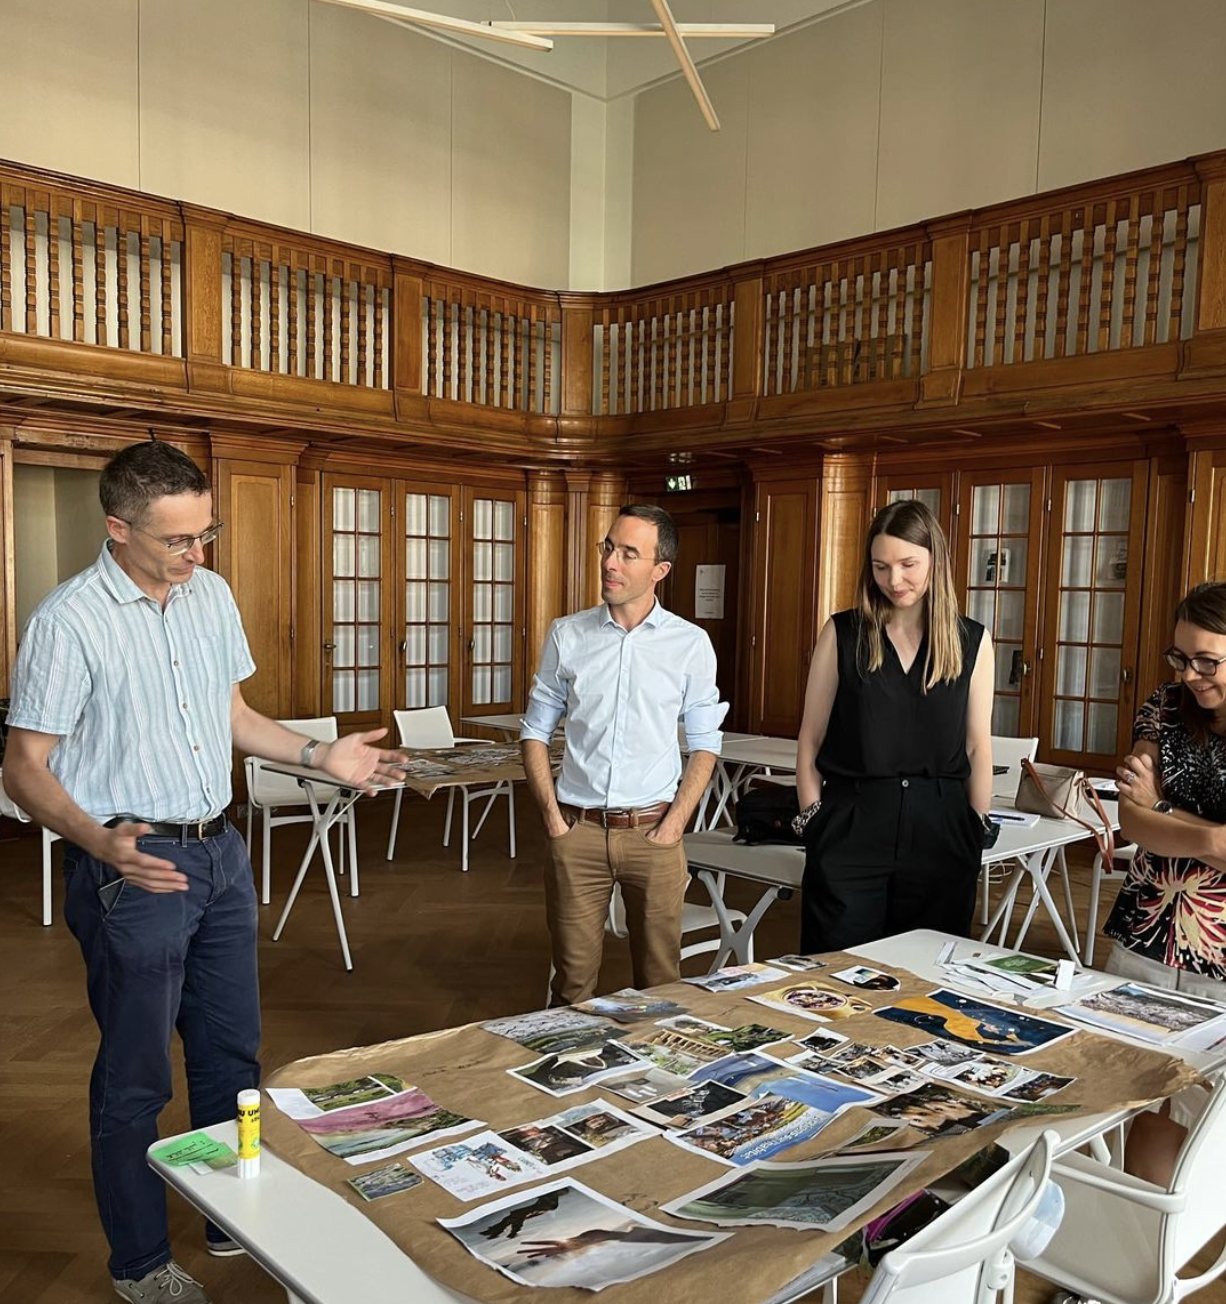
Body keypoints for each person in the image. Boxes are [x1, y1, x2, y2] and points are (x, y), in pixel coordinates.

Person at [2, 441, 405, 1304]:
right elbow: (24, 764)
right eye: (177, 541)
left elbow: (235, 716)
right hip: (132, 863)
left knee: (230, 1056)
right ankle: (141, 1264)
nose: (197, 555)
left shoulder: (210, 595)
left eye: (205, 534)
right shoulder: (68, 620)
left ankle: (235, 1219)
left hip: (220, 852)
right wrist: (95, 839)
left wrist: (317, 754)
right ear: (118, 529)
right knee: (137, 1075)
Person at [521, 503, 726, 1006]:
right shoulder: (567, 634)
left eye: (628, 553)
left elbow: (705, 745)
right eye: (608, 547)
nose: (610, 562)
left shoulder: (690, 644)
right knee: (571, 986)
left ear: (660, 570)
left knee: (661, 986)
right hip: (577, 832)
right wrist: (553, 819)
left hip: (655, 837)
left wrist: (675, 824)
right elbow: (533, 732)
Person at [794, 499, 994, 953]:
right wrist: (813, 821)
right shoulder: (842, 633)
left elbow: (978, 746)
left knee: (929, 974)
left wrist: (975, 827)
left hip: (941, 831)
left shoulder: (972, 640)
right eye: (881, 567)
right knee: (836, 974)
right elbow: (811, 738)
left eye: (908, 565)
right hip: (853, 826)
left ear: (935, 562)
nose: (894, 580)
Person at [1101, 581, 1226, 1188]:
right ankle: (1136, 1265)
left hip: (1220, 955)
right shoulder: (1164, 704)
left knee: (1212, 1116)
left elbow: (1154, 816)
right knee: (1145, 1097)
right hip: (1146, 932)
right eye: (1181, 657)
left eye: (1209, 661)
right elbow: (1130, 819)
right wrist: (1208, 837)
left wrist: (1167, 813)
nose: (1191, 675)